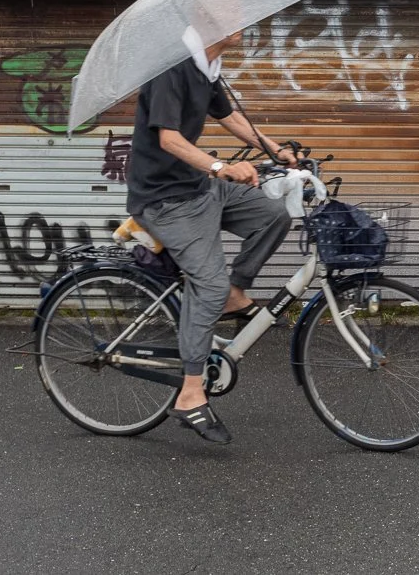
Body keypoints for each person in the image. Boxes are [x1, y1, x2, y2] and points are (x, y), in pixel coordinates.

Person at [125, 26, 295, 445]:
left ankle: (236, 292)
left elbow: (230, 117)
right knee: (209, 284)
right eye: (232, 12)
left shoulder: (207, 67)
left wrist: (276, 150)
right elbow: (168, 138)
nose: (243, 22)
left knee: (274, 215)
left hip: (198, 188)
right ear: (209, 19)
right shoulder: (171, 67)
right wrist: (221, 167)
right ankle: (190, 393)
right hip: (165, 199)